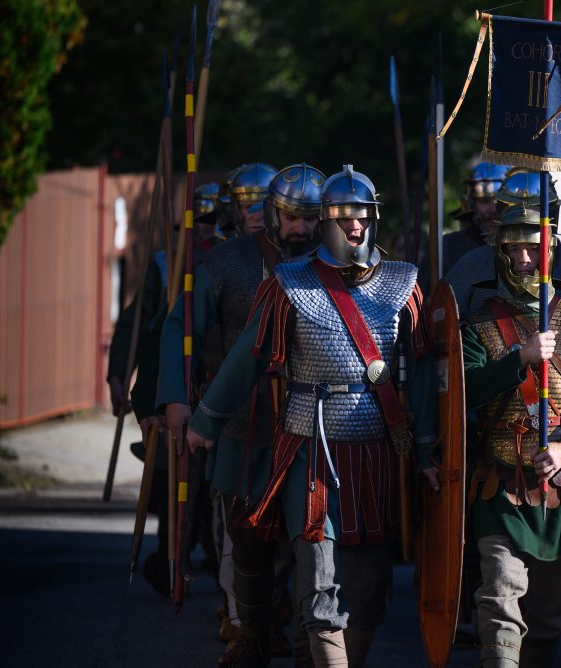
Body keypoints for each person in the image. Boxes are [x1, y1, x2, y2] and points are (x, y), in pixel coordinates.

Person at [185, 164, 439, 668]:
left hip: (378, 450)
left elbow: (428, 377)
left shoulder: (404, 284)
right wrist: (205, 420)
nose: (355, 227)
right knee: (318, 577)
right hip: (310, 447)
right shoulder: (289, 285)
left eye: (362, 217)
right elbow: (248, 358)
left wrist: (428, 448)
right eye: (344, 218)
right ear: (325, 221)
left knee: (367, 585)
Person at [158, 163, 325, 667]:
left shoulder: (335, 267)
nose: (299, 227)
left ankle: (303, 639)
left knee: (307, 543)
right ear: (273, 214)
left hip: (310, 428)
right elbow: (180, 329)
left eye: (309, 217)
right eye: (290, 216)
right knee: (245, 536)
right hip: (242, 423)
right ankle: (251, 632)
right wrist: (176, 397)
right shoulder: (227, 263)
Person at [460, 204, 561, 666]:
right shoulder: (479, 326)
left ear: (550, 252)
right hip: (498, 486)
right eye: (514, 249)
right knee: (498, 599)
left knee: (550, 613)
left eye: (533, 248)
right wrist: (520, 360)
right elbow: (464, 390)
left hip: (558, 490)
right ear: (500, 253)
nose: (524, 259)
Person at [107, 182, 222, 597]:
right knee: (175, 482)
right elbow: (142, 329)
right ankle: (171, 560)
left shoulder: (232, 261)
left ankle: (221, 567)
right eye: (200, 221)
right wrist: (124, 377)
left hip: (222, 387)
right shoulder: (166, 266)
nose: (207, 230)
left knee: (218, 488)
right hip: (180, 389)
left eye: (215, 221)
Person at [443, 167, 561, 331]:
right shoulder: (472, 267)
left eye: (536, 213)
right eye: (518, 213)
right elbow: (445, 334)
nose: (526, 221)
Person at [418, 162, 511, 292]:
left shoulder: (527, 250)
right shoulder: (447, 247)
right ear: (471, 204)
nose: (493, 209)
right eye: (484, 201)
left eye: (500, 202)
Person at [224, 162, 278, 236]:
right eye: (248, 207)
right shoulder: (226, 247)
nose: (256, 217)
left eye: (263, 207)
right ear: (236, 211)